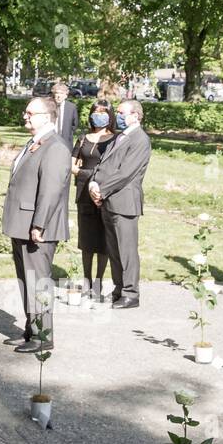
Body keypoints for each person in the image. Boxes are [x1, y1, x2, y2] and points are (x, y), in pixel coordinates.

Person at [1, 96, 72, 352]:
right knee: (26, 280)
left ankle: (43, 336)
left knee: (38, 281)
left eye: (30, 113)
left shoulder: (55, 147)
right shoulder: (35, 142)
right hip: (22, 223)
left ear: (47, 116)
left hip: (37, 228)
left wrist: (39, 224)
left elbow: (51, 191)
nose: (25, 116)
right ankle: (31, 330)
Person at [89, 99, 151, 309]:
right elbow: (103, 163)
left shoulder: (140, 139)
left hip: (124, 202)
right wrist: (93, 183)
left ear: (135, 115)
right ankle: (119, 288)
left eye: (123, 113)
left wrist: (101, 190)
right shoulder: (120, 137)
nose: (119, 115)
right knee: (114, 249)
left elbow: (126, 173)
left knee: (126, 250)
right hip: (108, 201)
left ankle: (131, 293)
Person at [72, 100, 116, 302]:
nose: (99, 115)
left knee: (104, 240)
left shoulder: (114, 140)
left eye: (103, 112)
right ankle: (87, 279)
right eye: (96, 112)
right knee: (87, 239)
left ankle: (99, 281)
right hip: (83, 194)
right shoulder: (83, 138)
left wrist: (95, 180)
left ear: (110, 115)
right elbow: (71, 165)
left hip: (104, 193)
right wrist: (87, 175)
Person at [52, 82, 78, 146]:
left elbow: (74, 125)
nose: (59, 96)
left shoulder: (71, 107)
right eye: (57, 93)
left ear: (66, 95)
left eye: (61, 93)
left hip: (66, 142)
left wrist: (68, 134)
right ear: (53, 94)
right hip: (50, 141)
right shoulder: (49, 106)